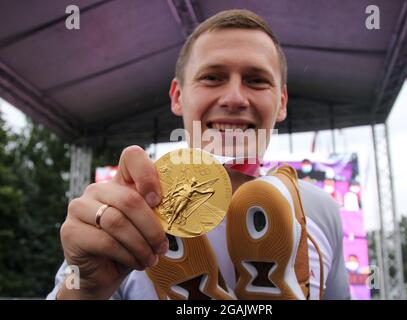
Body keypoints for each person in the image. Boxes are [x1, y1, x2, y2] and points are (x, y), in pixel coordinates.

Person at [48, 9, 350, 300]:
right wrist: (83, 291)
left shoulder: (319, 209)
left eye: (256, 80)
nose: (234, 98)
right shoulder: (125, 209)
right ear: (178, 96)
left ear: (281, 102)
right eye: (212, 78)